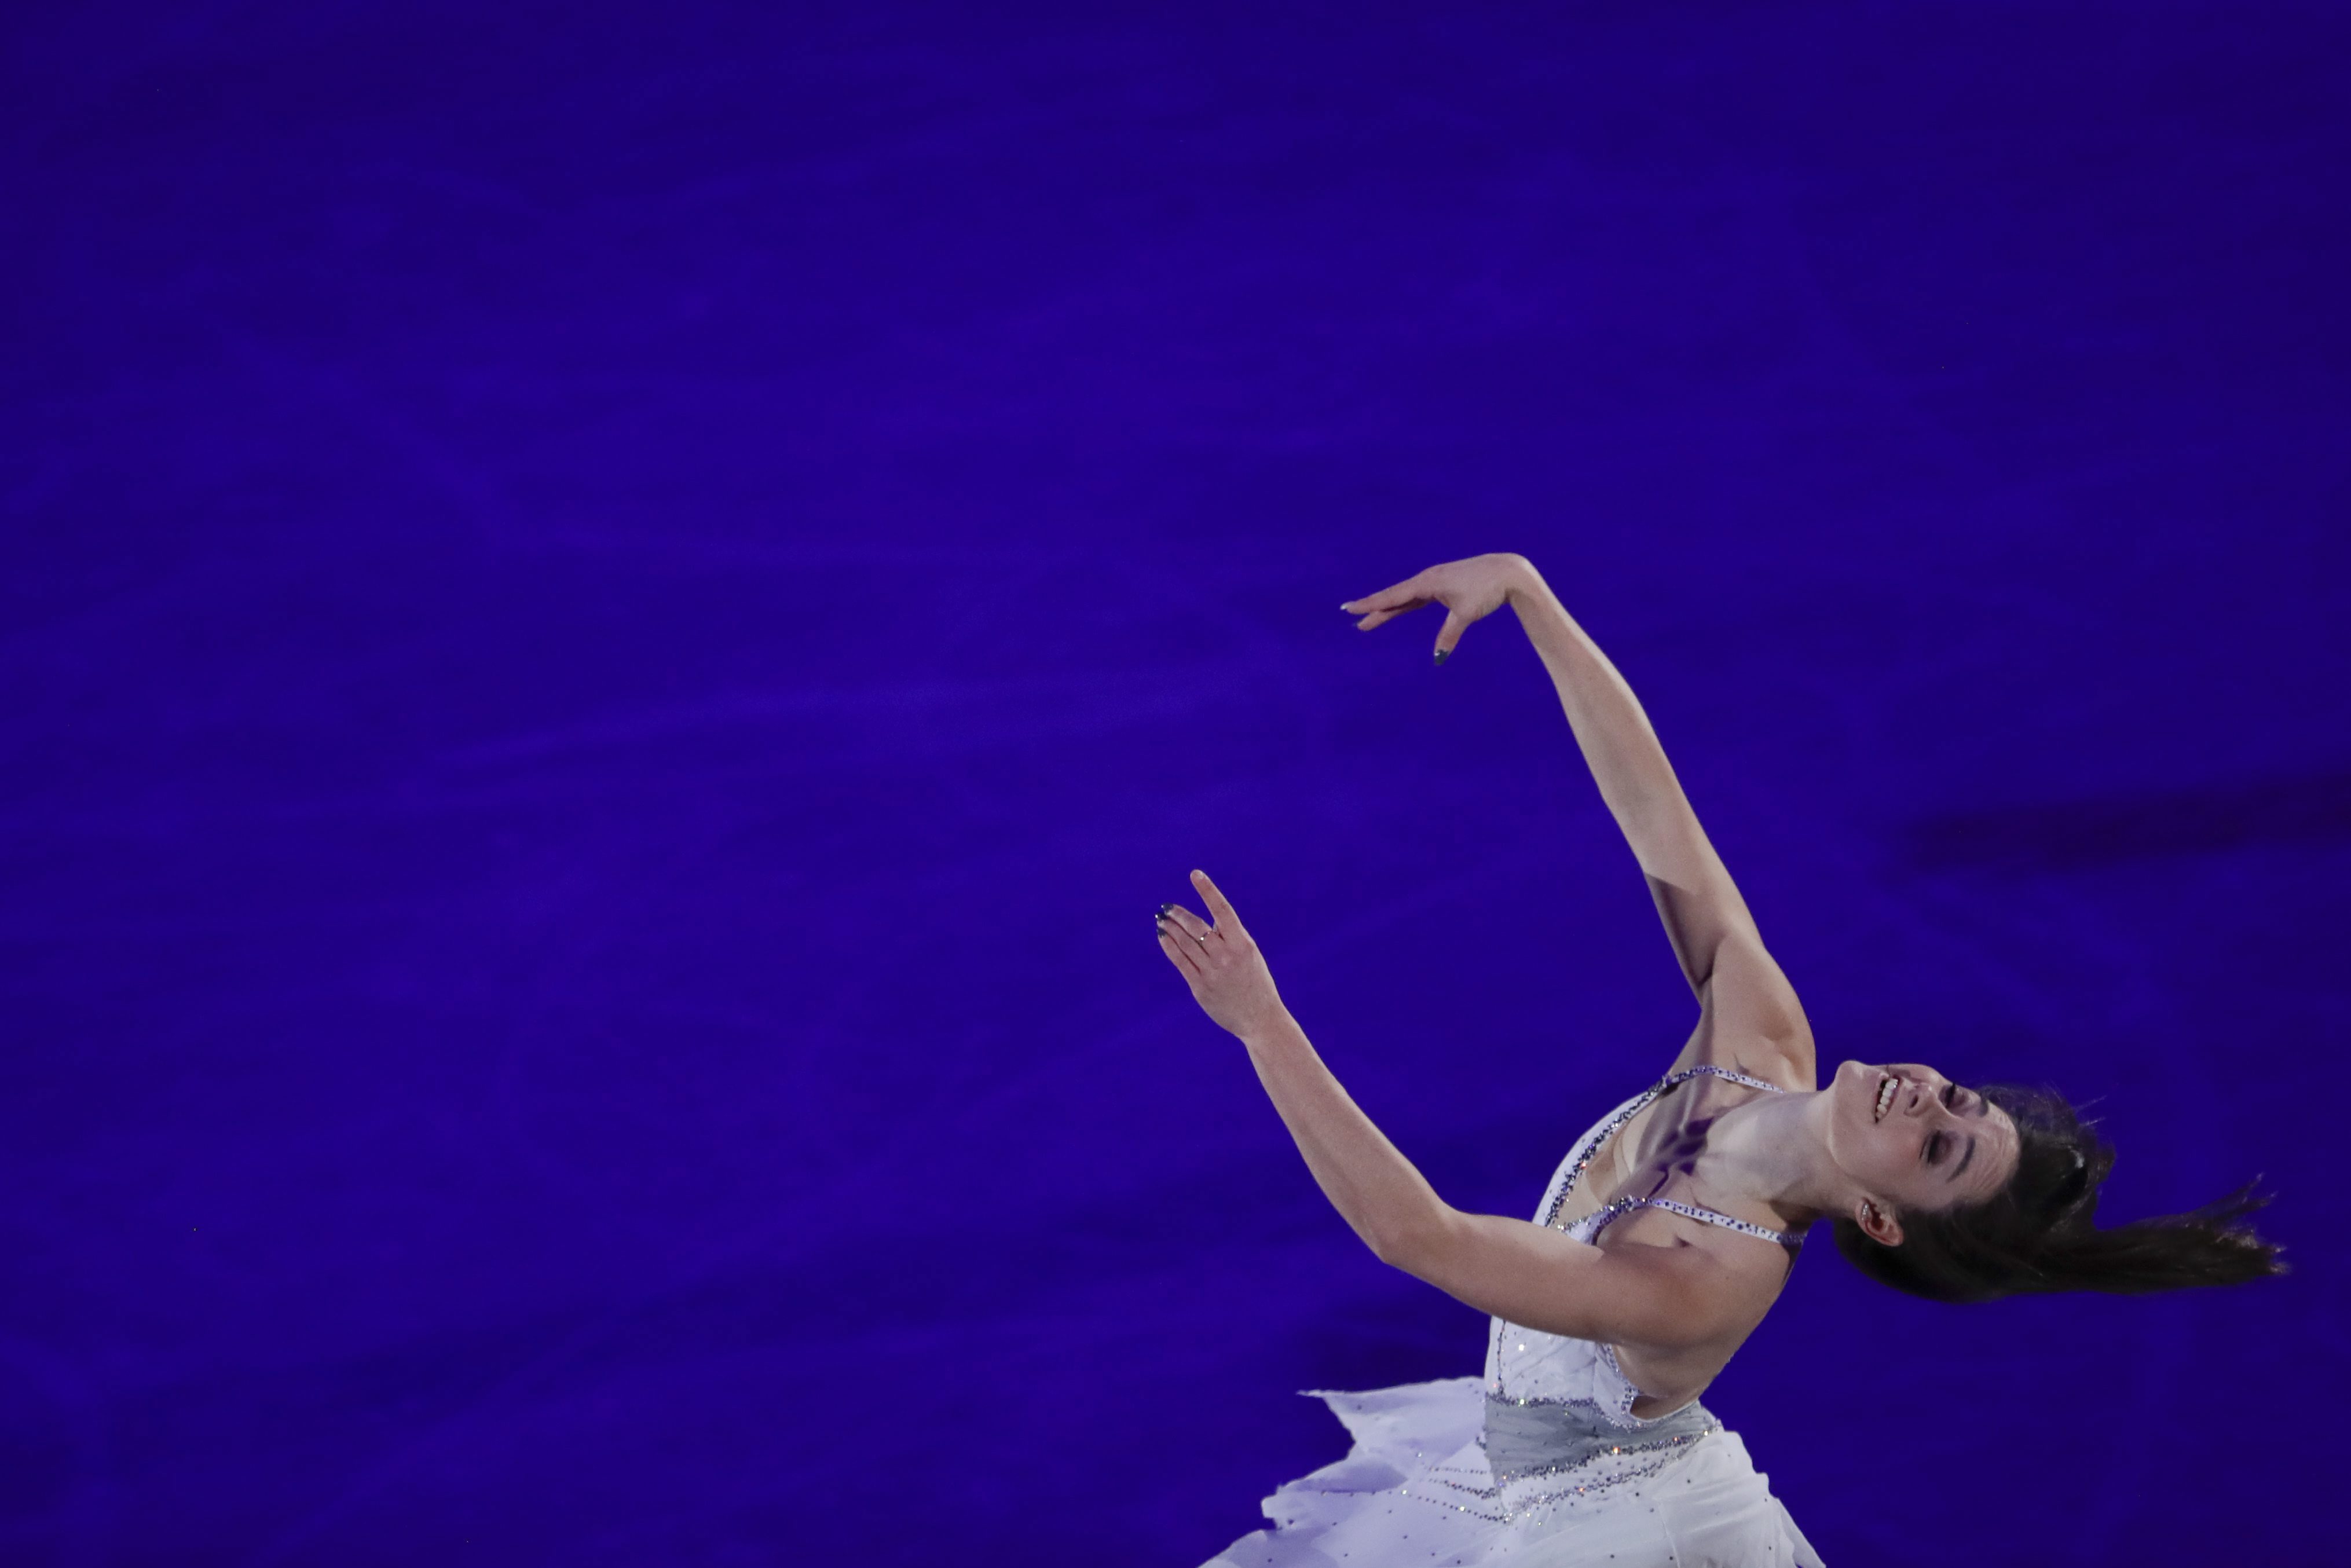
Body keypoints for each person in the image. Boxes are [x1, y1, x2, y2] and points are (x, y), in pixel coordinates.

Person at [1152, 552, 2284, 1568]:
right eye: (1960, 1097)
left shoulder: (1702, 1281)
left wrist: (1263, 1025)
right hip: (1515, 1479)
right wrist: (1530, 595)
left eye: (1933, 1146)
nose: (1924, 1095)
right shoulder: (1757, 1038)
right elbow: (1652, 808)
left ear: (1880, 1218)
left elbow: (1419, 1237)